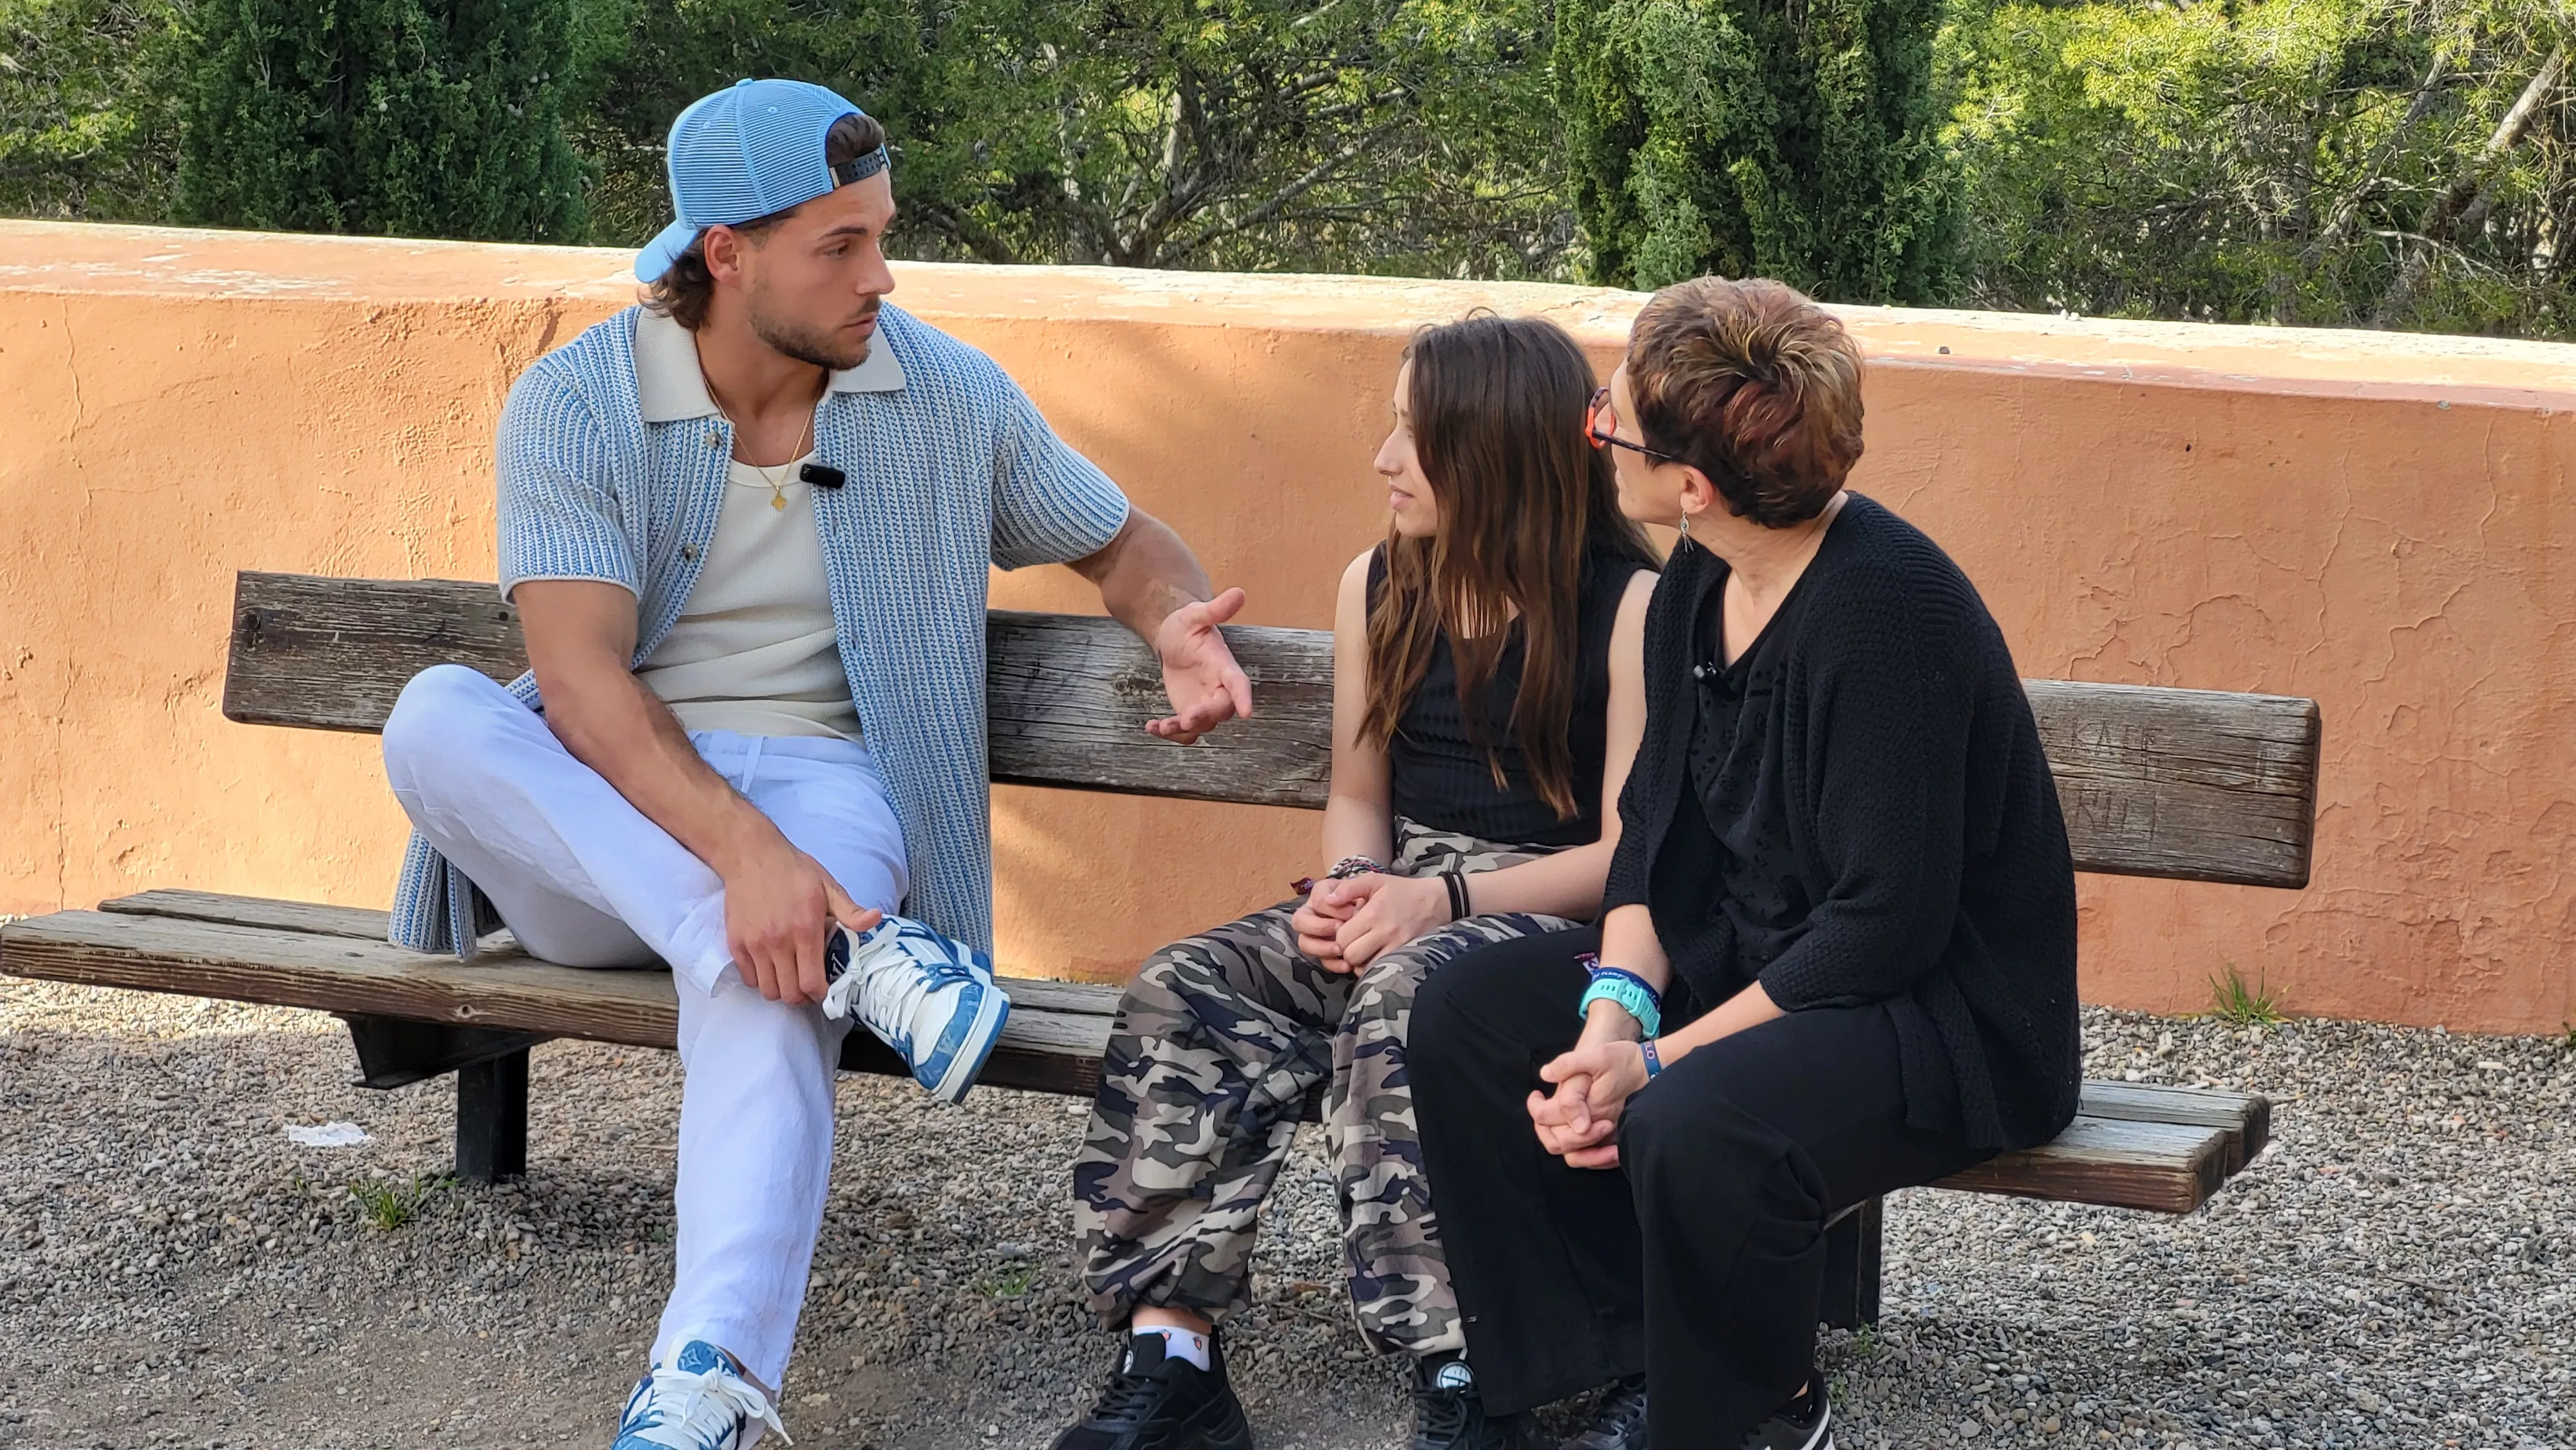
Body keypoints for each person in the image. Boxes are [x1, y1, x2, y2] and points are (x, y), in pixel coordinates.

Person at [376, 79, 1255, 1450]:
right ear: (721, 252)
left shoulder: (944, 391)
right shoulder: (577, 401)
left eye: (880, 234)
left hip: (832, 787)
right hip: (606, 817)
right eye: (837, 246)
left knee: (757, 963)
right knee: (434, 714)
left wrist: (1178, 629)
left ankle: (711, 1382)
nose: (879, 275)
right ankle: (860, 951)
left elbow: (1121, 541)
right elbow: (585, 688)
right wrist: (744, 861)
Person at [1406, 277, 2083, 1450]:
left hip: (1941, 1016)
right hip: (1762, 961)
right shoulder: (1697, 586)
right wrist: (1614, 1021)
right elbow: (1657, 829)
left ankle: (1757, 1409)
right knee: (1467, 1009)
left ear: (1691, 484)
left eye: (1605, 422)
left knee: (1697, 1118)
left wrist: (1659, 1062)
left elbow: (1884, 928)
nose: (1593, 439)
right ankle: (1610, 1368)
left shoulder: (1888, 614)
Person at [1054, 314, 1661, 1450]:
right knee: (1189, 984)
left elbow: (1636, 859)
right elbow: (1358, 791)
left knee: (1407, 1004)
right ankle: (1172, 1348)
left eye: (1413, 435)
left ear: (1497, 453)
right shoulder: (1381, 582)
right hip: (1404, 890)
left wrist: (1444, 905)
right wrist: (1348, 885)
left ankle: (1464, 1375)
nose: (1385, 459)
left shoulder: (1630, 608)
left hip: (1556, 917)